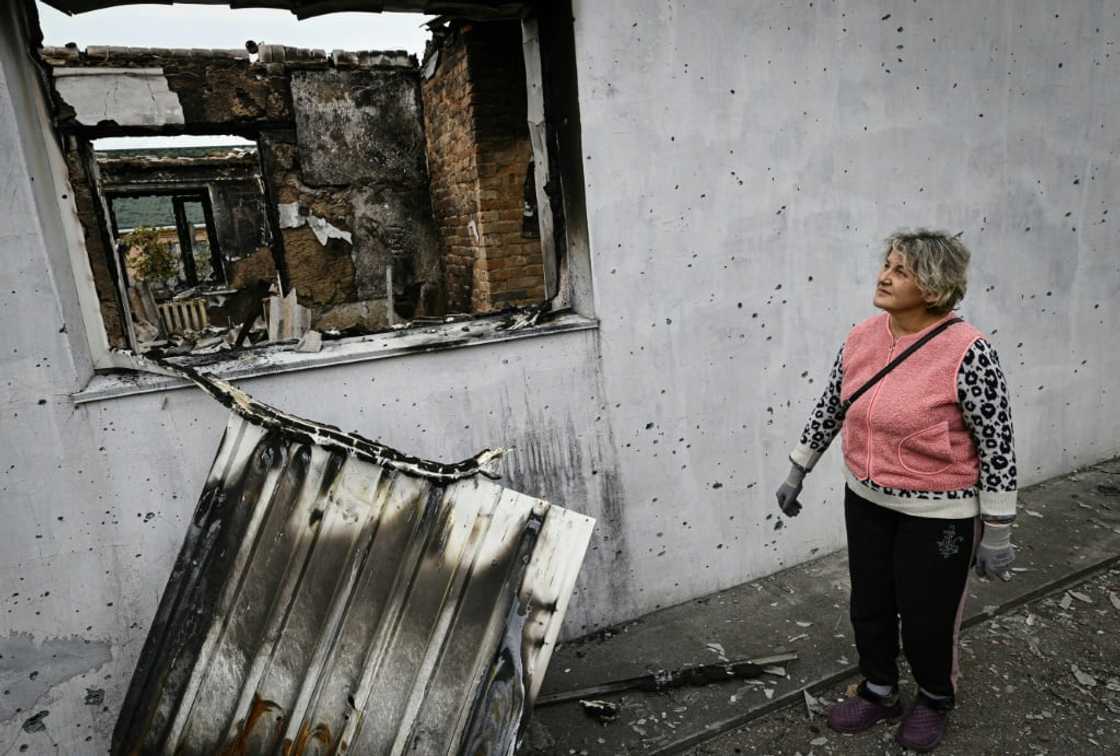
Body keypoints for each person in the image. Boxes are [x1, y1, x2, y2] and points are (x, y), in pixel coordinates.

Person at [776, 229, 1017, 752]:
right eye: (887, 264)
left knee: (928, 612)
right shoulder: (862, 336)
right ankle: (879, 688)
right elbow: (831, 406)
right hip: (865, 500)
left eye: (901, 270)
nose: (884, 275)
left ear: (933, 286)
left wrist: (997, 528)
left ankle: (933, 697)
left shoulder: (968, 352)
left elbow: (997, 441)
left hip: (940, 513)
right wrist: (799, 467)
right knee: (870, 601)